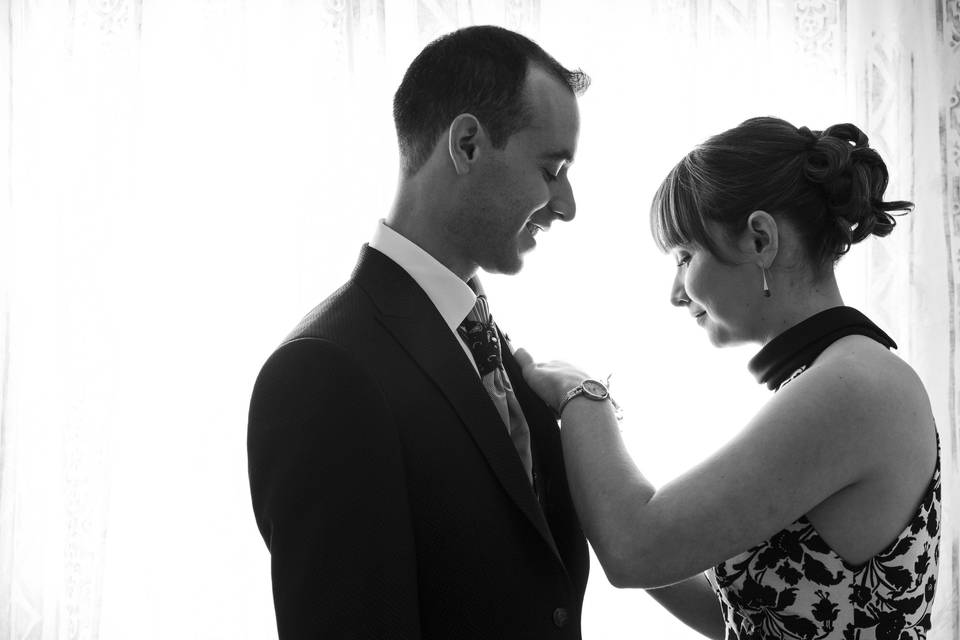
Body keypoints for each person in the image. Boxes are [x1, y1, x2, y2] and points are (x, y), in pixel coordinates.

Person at [517, 117, 940, 639]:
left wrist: (584, 396)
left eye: (684, 256)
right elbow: (747, 617)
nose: (676, 292)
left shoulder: (853, 386)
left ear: (762, 238)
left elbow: (636, 548)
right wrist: (588, 489)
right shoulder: (843, 375)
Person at [247, 25, 591, 638]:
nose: (566, 204)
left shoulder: (491, 343)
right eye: (552, 167)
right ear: (466, 144)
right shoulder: (324, 371)